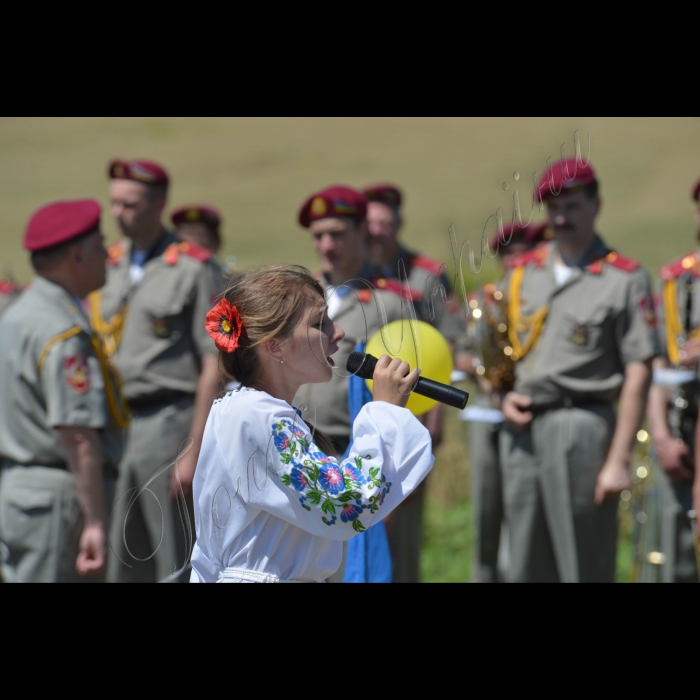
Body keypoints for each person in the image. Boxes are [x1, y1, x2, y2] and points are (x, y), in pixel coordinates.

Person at [189, 266, 435, 583]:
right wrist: (386, 411)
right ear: (274, 345)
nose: (339, 333)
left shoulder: (250, 411)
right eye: (320, 324)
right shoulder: (258, 415)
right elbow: (342, 502)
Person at [498, 158, 659, 583]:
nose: (562, 218)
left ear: (596, 204)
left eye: (572, 205)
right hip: (522, 428)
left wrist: (619, 458)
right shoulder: (522, 274)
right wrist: (499, 394)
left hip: (583, 424)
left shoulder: (623, 279)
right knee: (522, 564)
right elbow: (491, 348)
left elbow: (639, 369)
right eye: (553, 209)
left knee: (582, 564)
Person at [88, 159, 225, 583]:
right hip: (114, 426)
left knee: (173, 559)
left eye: (130, 204)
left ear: (159, 203)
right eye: (114, 204)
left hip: (169, 423)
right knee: (122, 559)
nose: (118, 214)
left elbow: (214, 361)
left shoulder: (194, 267)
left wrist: (193, 448)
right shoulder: (104, 264)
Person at [293, 185, 415, 583]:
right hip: (303, 456)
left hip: (356, 456)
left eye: (337, 234)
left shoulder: (391, 304)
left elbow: (404, 397)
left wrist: (390, 486)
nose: (326, 245)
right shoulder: (299, 297)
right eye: (318, 235)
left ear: (363, 231)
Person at [0, 200, 126, 583]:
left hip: (21, 491)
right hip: (57, 497)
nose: (108, 254)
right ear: (77, 257)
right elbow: (79, 436)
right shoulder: (63, 332)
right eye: (100, 245)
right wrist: (95, 520)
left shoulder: (17, 316)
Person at [363, 182, 466, 582]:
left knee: (400, 524)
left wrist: (434, 415)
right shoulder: (352, 274)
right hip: (357, 410)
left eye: (385, 223)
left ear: (399, 224)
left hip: (413, 412)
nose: (377, 232)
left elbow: (446, 347)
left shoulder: (426, 275)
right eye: (370, 223)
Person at [457, 221, 550, 583]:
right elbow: (463, 354)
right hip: (488, 413)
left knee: (526, 511)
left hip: (528, 413)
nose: (515, 262)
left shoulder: (538, 298)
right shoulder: (485, 300)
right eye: (508, 256)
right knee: (487, 506)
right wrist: (489, 374)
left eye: (522, 254)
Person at [647, 176, 700, 583]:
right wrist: (662, 436)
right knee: (672, 553)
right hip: (680, 426)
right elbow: (659, 365)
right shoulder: (677, 280)